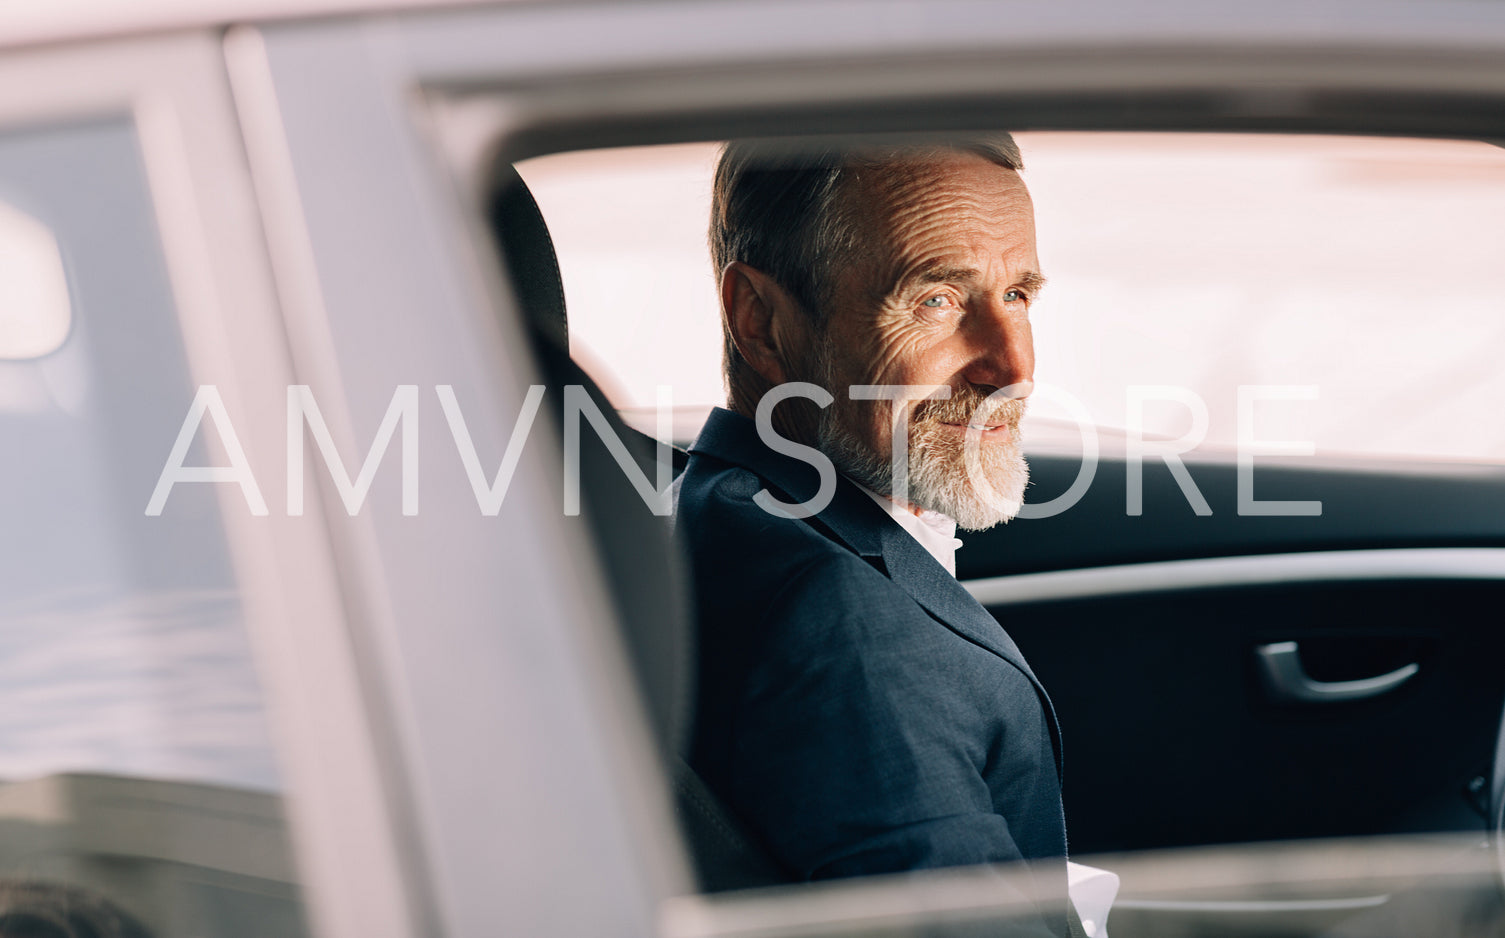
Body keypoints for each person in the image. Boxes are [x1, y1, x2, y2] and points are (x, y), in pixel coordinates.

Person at [675, 136, 1083, 936]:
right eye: (935, 299)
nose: (1012, 363)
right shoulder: (846, 632)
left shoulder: (725, 507)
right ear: (759, 320)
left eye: (1020, 294)